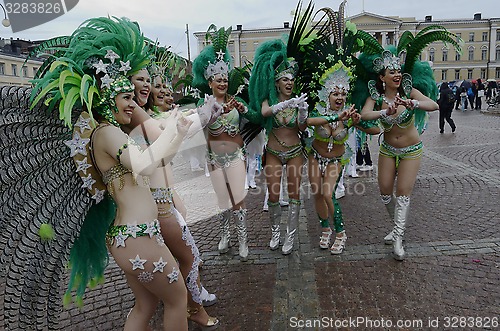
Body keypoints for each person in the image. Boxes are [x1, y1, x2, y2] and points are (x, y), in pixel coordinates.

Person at [2, 16, 191, 330]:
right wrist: (175, 133)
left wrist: (178, 135)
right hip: (137, 236)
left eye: (132, 97)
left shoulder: (109, 132)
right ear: (107, 98)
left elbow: (155, 161)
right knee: (177, 299)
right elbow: (145, 163)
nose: (133, 105)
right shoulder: (107, 133)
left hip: (132, 236)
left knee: (146, 305)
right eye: (126, 98)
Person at [124, 66, 220, 329]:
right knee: (189, 258)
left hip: (161, 201)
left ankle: (192, 306)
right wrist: (201, 117)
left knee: (150, 298)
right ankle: (194, 309)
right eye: (140, 80)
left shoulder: (137, 111)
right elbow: (160, 132)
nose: (145, 85)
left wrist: (198, 116)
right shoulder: (131, 112)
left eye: (148, 80)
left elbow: (166, 127)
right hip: (154, 205)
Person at [360, 49, 440, 260]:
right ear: (382, 77)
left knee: (403, 193)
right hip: (387, 149)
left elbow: (434, 105)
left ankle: (398, 239)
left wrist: (413, 103)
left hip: (411, 151)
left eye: (398, 71)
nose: (397, 74)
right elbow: (364, 114)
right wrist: (384, 112)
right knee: (386, 193)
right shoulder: (375, 97)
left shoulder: (408, 92)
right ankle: (396, 228)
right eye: (391, 71)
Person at [191, 25, 256, 261]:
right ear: (210, 82)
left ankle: (243, 240)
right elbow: (196, 125)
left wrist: (245, 109)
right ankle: (225, 235)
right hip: (214, 159)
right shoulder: (204, 104)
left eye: (225, 79)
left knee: (238, 197)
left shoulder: (236, 100)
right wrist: (213, 113)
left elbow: (255, 117)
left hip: (236, 156)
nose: (223, 82)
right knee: (221, 199)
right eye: (218, 79)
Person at [306, 61, 380, 254]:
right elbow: (308, 121)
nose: (340, 97)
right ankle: (325, 228)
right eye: (335, 94)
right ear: (327, 95)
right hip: (315, 157)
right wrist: (335, 118)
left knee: (328, 194)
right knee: (317, 194)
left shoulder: (350, 114)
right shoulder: (319, 110)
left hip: (335, 161)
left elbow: (376, 129)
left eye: (343, 94)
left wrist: (359, 121)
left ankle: (340, 233)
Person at [248, 39, 308, 255]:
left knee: (294, 195)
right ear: (276, 83)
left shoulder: (299, 101)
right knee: (273, 195)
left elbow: (301, 127)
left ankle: (290, 237)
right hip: (273, 152)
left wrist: (302, 112)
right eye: (285, 79)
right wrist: (284, 104)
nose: (289, 83)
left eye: (292, 79)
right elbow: (264, 113)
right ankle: (275, 233)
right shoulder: (268, 100)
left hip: (294, 153)